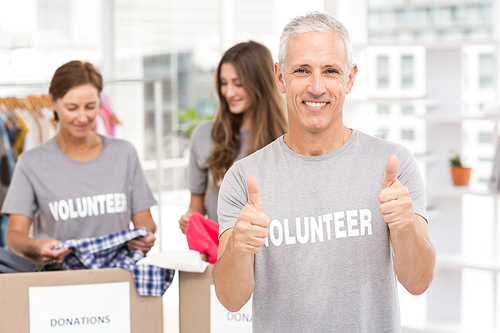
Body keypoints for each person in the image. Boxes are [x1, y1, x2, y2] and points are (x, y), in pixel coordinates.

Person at [213, 12, 436, 332]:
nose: (316, 87)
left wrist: (405, 227)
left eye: (330, 71)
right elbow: (230, 299)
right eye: (301, 70)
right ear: (279, 77)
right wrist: (239, 248)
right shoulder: (244, 178)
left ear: (350, 78)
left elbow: (418, 282)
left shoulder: (394, 165)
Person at [1, 60, 157, 264]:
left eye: (90, 107)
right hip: (59, 281)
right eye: (72, 108)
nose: (83, 117)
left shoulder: (124, 154)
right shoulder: (31, 163)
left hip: (120, 278)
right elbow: (13, 236)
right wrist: (36, 247)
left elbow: (145, 221)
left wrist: (145, 237)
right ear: (53, 103)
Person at [178, 41, 288, 233]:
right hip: (222, 255)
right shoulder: (204, 136)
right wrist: (190, 220)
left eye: (238, 84)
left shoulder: (289, 138)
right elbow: (196, 207)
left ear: (260, 83)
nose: (229, 92)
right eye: (223, 83)